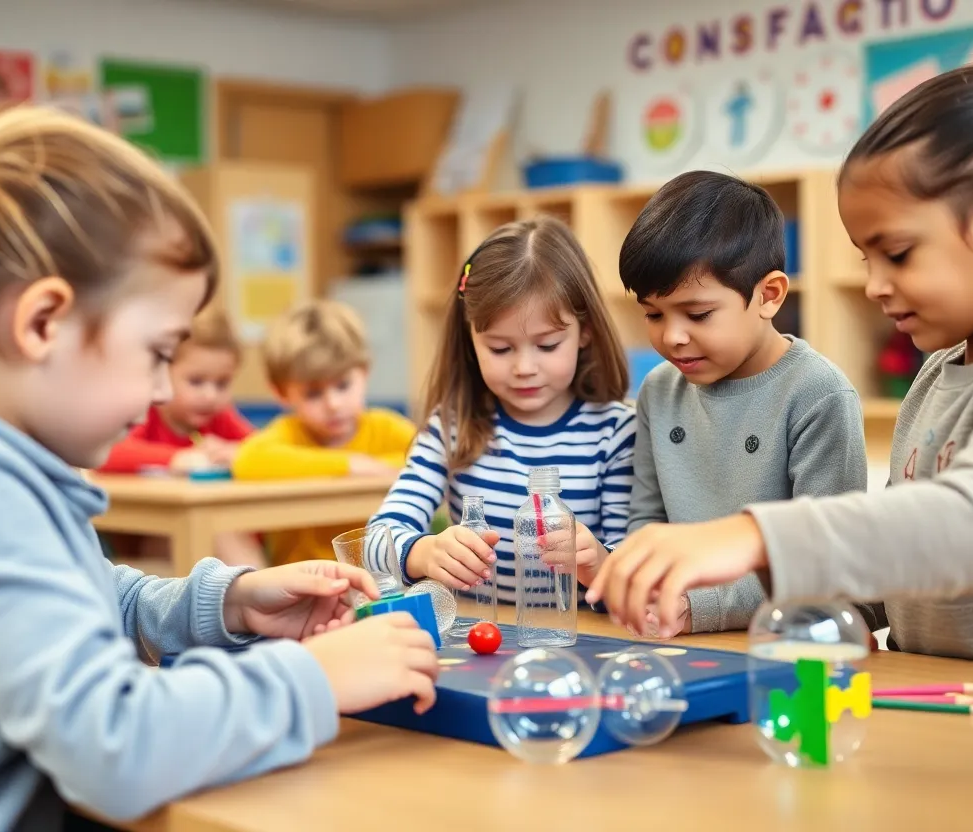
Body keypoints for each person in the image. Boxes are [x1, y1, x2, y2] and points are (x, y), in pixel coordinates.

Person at [0, 107, 439, 831]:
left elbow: (77, 601)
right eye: (157, 353)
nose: (161, 392)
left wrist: (229, 602)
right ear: (43, 323)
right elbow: (112, 743)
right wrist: (313, 677)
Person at [588, 33, 973, 672]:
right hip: (932, 702)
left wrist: (752, 537)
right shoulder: (941, 372)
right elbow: (891, 568)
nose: (874, 285)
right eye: (866, 258)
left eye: (899, 253)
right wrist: (840, 614)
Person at [618, 170, 867, 635]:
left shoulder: (818, 394)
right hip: (674, 637)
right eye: (653, 314)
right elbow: (647, 522)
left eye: (698, 315)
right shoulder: (658, 390)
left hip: (781, 645)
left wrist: (700, 605)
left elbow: (825, 564)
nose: (672, 337)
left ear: (768, 295)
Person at [368, 217, 636, 602]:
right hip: (481, 643)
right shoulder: (452, 425)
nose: (524, 367)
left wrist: (597, 563)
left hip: (584, 643)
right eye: (500, 348)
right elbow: (375, 542)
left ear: (586, 332)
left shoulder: (615, 432)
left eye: (546, 345)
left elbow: (632, 568)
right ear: (470, 338)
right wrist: (422, 553)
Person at [231, 299, 418, 564]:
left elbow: (431, 459)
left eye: (343, 385)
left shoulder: (387, 428)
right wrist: (350, 465)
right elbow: (248, 460)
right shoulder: (287, 433)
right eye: (313, 393)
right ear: (281, 392)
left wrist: (378, 466)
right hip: (301, 588)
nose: (333, 404)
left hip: (380, 583)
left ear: (364, 373)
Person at [99, 305, 263, 567]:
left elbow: (265, 447)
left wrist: (239, 453)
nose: (210, 396)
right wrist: (177, 458)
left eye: (222, 383)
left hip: (216, 533)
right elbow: (110, 453)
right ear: (161, 373)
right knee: (216, 535)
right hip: (149, 544)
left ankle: (254, 597)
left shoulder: (220, 416)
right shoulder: (145, 411)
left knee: (224, 533)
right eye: (196, 381)